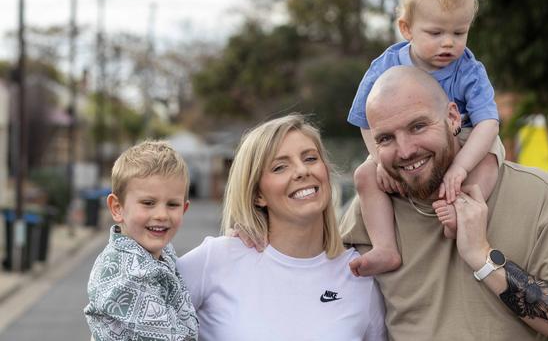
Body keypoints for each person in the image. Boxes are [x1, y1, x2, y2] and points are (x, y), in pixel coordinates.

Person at [341, 66, 548, 340]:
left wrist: (483, 257)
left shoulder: (533, 193)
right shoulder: (372, 213)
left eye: (418, 126)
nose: (406, 150)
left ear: (453, 117)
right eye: (386, 138)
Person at [177, 114, 386, 340]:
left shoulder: (358, 274)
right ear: (257, 195)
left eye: (310, 158)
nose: (302, 171)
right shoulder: (215, 260)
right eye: (279, 167)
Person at [347, 0, 503, 276]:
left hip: (463, 135)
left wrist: (460, 166)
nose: (449, 42)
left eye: (460, 32)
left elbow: (488, 123)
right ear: (407, 29)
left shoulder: (469, 70)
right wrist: (381, 161)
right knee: (364, 176)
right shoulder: (385, 66)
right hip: (396, 141)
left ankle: (462, 214)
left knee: (488, 160)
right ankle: (385, 248)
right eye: (435, 32)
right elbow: (366, 120)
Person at [84, 141, 198, 341]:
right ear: (117, 208)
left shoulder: (157, 253)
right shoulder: (128, 275)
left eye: (172, 204)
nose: (162, 214)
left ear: (184, 209)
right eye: (148, 203)